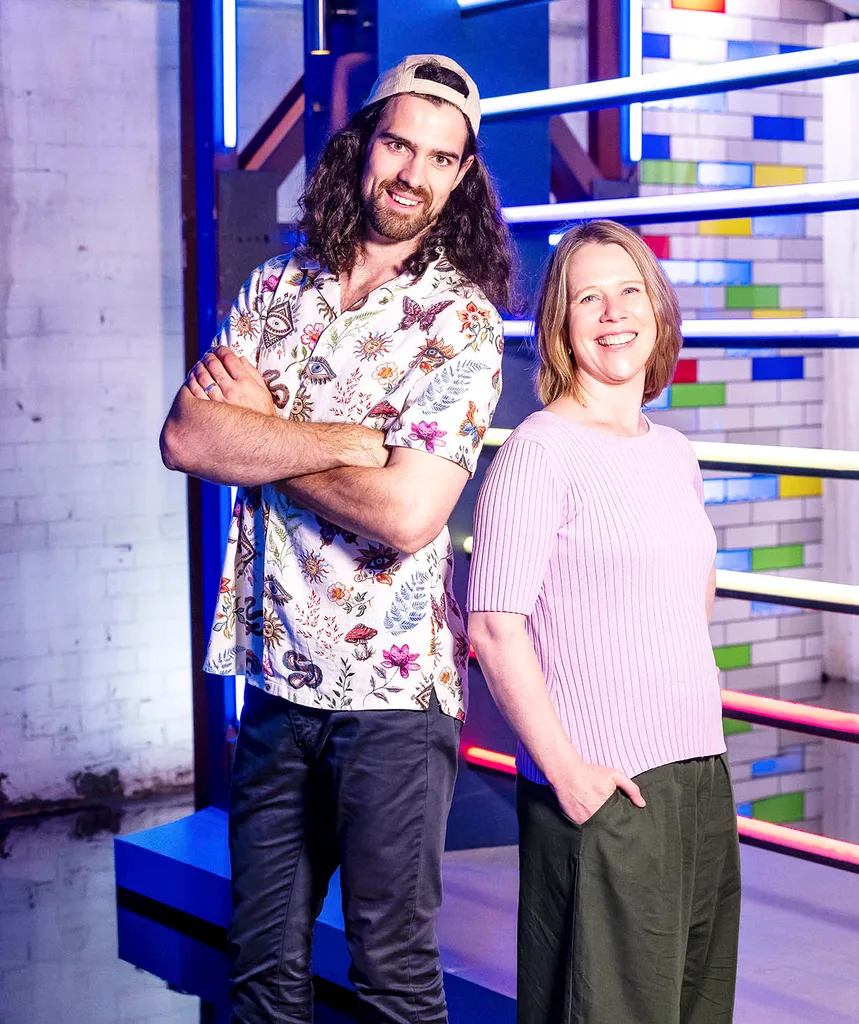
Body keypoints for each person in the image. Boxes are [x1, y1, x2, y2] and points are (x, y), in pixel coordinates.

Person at [160, 54, 514, 1024]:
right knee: (260, 974)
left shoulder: (462, 324)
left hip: (390, 704)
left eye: (439, 158)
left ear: (460, 176)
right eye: (398, 144)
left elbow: (407, 513)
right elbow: (187, 439)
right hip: (276, 682)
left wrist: (266, 434)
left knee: (391, 977)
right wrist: (355, 443)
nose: (412, 173)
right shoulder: (276, 286)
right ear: (363, 146)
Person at [467, 220, 740, 1024]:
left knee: (695, 1008)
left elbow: (688, 595)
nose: (613, 312)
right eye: (589, 298)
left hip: (697, 775)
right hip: (602, 784)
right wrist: (567, 772)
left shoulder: (671, 451)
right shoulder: (538, 452)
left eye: (628, 292)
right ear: (560, 323)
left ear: (656, 310)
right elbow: (493, 627)